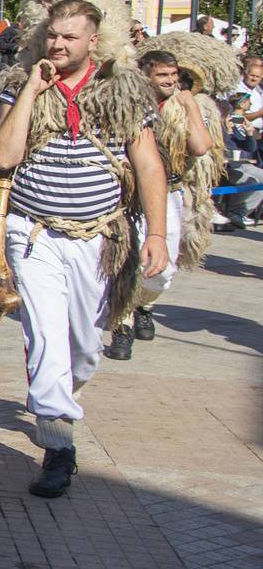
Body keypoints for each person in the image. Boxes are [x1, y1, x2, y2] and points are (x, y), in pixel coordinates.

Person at [0, 0, 167, 500]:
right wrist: (32, 91)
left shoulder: (124, 89)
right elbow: (1, 158)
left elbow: (148, 162)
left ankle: (61, 394)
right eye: (52, 36)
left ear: (93, 40)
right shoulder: (20, 84)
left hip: (97, 237)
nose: (58, 45)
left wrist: (157, 232)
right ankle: (58, 443)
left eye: (70, 38)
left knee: (85, 345)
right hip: (32, 232)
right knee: (46, 338)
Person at [104, 47, 213, 360]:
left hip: (169, 193)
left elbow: (201, 147)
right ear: (145, 76)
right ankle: (121, 325)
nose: (170, 81)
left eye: (174, 76)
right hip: (127, 193)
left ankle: (144, 304)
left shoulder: (182, 105)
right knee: (124, 261)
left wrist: (190, 104)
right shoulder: (126, 104)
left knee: (162, 270)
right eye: (162, 75)